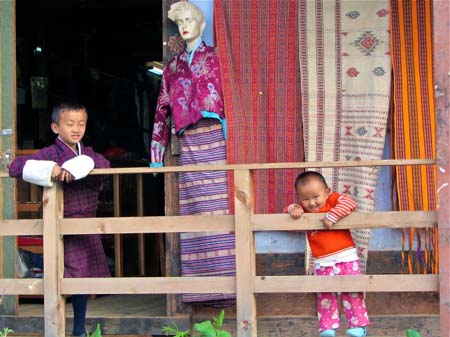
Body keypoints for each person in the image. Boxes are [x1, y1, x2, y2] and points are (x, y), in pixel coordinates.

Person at [150, 1, 235, 304]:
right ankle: (202, 291)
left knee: (223, 211)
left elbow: (233, 97)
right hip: (189, 143)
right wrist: (156, 153)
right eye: (181, 22)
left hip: (218, 139)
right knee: (196, 213)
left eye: (191, 20)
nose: (185, 26)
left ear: (201, 24)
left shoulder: (217, 57)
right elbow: (162, 110)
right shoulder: (172, 67)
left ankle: (229, 289)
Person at [9, 101, 110, 337]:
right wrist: (50, 168)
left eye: (81, 124)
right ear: (55, 128)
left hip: (86, 222)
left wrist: (81, 164)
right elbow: (16, 166)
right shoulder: (50, 154)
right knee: (73, 271)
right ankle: (73, 330)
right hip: (61, 221)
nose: (76, 129)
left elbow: (104, 163)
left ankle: (78, 329)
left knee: (81, 276)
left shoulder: (88, 153)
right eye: (70, 124)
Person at [286, 171, 370, 337]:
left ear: (327, 191)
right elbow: (287, 210)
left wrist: (332, 216)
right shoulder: (303, 209)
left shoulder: (334, 200)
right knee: (325, 294)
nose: (311, 203)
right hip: (322, 260)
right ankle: (327, 327)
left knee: (352, 291)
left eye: (316, 196)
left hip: (346, 257)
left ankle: (358, 326)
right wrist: (293, 208)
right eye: (305, 199)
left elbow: (350, 202)